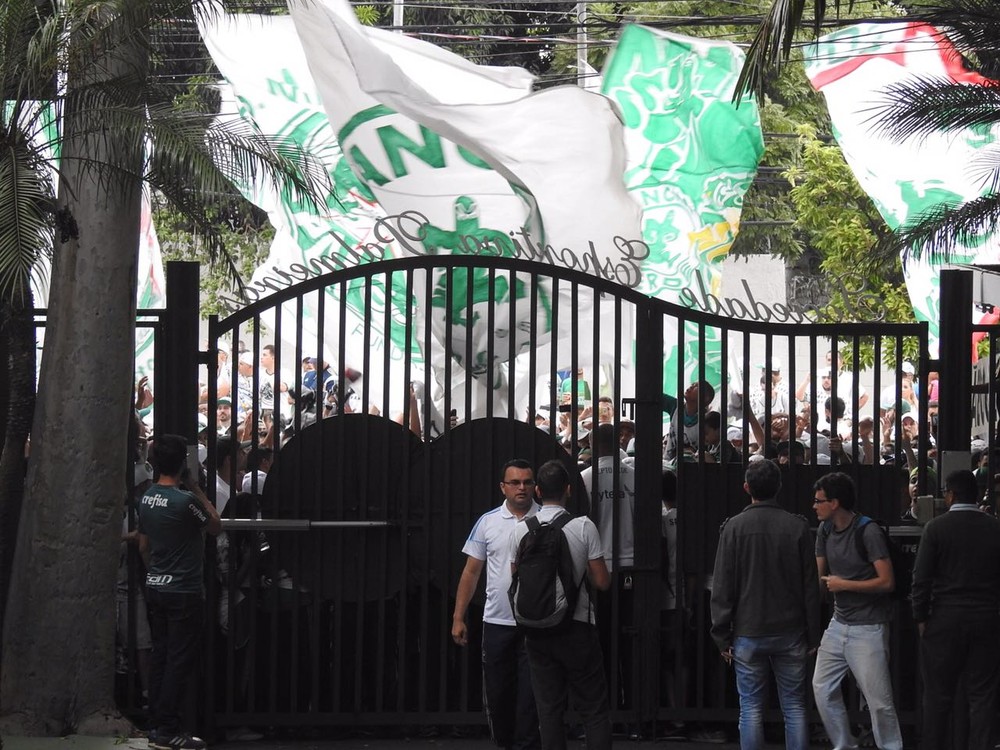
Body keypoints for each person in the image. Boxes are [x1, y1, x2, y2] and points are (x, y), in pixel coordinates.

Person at [710, 459, 820, 750]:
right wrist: (813, 632)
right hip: (791, 629)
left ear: (747, 488)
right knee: (795, 707)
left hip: (748, 630)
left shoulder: (733, 528)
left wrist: (721, 635)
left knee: (750, 709)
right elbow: (810, 585)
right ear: (779, 487)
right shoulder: (797, 527)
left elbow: (722, 586)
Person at [510, 459, 611, 750]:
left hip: (537, 630)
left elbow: (514, 580)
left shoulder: (521, 530)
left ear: (537, 491)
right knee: (593, 708)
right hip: (577, 626)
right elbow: (602, 582)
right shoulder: (583, 526)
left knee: (549, 709)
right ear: (568, 489)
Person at [138, 434, 222, 750]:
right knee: (178, 660)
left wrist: (156, 573)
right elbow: (215, 524)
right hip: (184, 590)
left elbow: (144, 546)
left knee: (161, 656)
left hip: (155, 586)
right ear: (183, 466)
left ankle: (155, 723)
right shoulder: (185, 501)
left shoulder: (146, 498)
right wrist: (197, 487)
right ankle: (168, 728)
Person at [452, 459, 542, 750]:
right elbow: (471, 571)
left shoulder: (546, 520)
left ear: (535, 486)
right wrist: (458, 616)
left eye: (527, 482)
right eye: (515, 482)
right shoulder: (488, 522)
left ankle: (525, 745)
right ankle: (504, 743)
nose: (522, 488)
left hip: (537, 622)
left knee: (532, 693)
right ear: (503, 487)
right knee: (498, 691)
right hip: (498, 621)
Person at [811, 472, 903, 750]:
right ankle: (844, 744)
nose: (814, 506)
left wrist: (844, 585)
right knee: (822, 687)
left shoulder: (867, 531)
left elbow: (887, 582)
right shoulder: (825, 530)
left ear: (835, 503)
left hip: (868, 626)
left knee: (879, 701)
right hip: (839, 623)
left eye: (819, 501)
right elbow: (818, 577)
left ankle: (890, 746)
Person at [912, 469, 1000, 750]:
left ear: (950, 495)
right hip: (987, 617)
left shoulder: (936, 528)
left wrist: (921, 617)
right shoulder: (994, 527)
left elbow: (921, 579)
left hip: (944, 619)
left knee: (938, 696)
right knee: (983, 696)